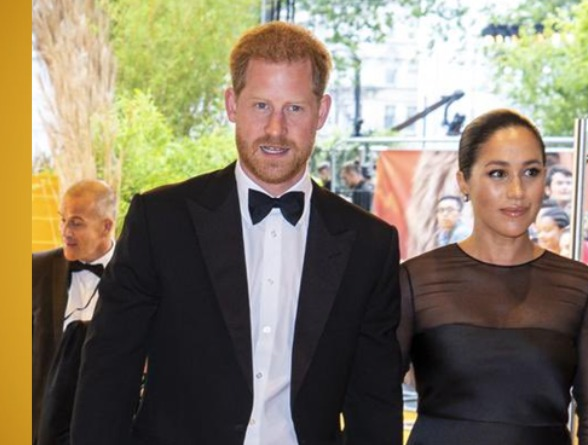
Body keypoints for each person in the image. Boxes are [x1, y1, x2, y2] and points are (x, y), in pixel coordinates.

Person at [71, 22, 403, 445]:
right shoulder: (161, 221)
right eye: (261, 105)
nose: (276, 129)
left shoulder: (369, 244)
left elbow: (374, 402)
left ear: (321, 112)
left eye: (295, 108)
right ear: (232, 104)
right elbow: (108, 370)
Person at [398, 109, 588, 444]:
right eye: (498, 174)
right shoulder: (415, 280)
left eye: (531, 172)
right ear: (464, 181)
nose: (517, 191)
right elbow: (374, 400)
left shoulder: (584, 289)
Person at [32, 179, 116, 445]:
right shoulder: (34, 269)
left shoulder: (135, 275)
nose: (65, 231)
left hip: (104, 426)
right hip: (39, 426)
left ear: (106, 227)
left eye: (76, 223)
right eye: (63, 220)